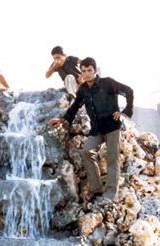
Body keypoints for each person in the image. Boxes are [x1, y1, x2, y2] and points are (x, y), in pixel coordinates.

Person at [49, 57, 134, 204]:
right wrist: (63, 120)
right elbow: (75, 107)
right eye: (84, 71)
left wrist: (125, 112)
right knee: (86, 152)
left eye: (89, 70)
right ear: (81, 72)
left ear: (95, 70)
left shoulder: (108, 83)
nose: (87, 73)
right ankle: (97, 190)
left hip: (113, 127)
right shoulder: (83, 89)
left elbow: (129, 91)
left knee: (112, 160)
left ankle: (110, 195)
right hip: (97, 129)